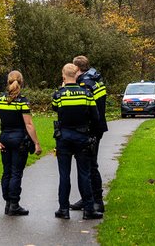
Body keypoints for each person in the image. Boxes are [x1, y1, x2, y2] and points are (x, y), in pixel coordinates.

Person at [52, 63, 102, 221]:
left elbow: (56, 109)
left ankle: (64, 209)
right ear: (77, 74)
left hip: (64, 137)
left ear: (63, 75)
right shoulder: (86, 94)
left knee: (64, 175)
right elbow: (96, 116)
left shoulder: (58, 95)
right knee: (84, 174)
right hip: (82, 137)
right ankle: (88, 209)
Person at [0, 70, 42, 216]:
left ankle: (7, 203)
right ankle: (14, 204)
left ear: (8, 81)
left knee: (6, 171)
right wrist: (36, 143)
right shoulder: (23, 101)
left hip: (4, 138)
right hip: (19, 140)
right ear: (21, 81)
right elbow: (29, 125)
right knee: (16, 172)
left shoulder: (0, 100)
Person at [71, 55, 107, 214]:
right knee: (86, 164)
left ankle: (97, 201)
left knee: (91, 164)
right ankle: (87, 197)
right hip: (97, 127)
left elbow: (85, 108)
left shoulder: (85, 83)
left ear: (77, 69)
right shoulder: (96, 78)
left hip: (90, 129)